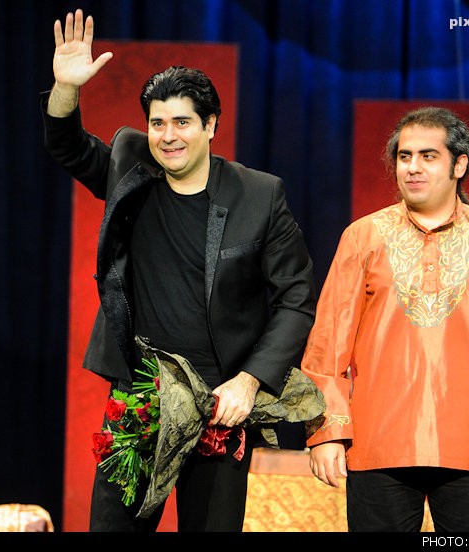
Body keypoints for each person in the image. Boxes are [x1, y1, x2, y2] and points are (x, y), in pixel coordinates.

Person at [43, 9, 317, 532]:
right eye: (158, 123)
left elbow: (296, 299)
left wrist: (248, 382)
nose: (168, 136)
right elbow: (66, 146)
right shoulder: (130, 165)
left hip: (221, 402)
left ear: (210, 125)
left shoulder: (259, 196)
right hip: (140, 395)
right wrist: (66, 88)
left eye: (183, 123)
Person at [302, 106, 469, 532]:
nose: (412, 167)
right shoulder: (363, 236)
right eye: (404, 156)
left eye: (428, 156)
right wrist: (327, 431)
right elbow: (328, 342)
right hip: (378, 445)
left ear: (459, 165)